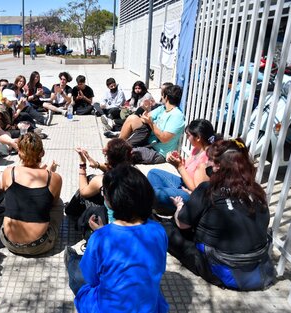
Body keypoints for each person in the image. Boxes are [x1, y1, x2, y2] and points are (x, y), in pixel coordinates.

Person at [159, 138, 276, 291]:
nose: (207, 164)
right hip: (258, 266)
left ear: (218, 166)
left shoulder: (208, 189)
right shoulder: (256, 191)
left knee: (165, 228)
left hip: (223, 268)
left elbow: (182, 224)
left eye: (210, 161)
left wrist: (180, 207)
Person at [65, 164, 169, 313]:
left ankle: (71, 258)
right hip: (149, 307)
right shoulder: (158, 230)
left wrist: (102, 234)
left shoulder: (100, 237)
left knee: (76, 269)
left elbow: (91, 278)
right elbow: (159, 267)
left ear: (110, 201)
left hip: (106, 308)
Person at [0, 132, 63, 256]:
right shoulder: (54, 178)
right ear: (42, 153)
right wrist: (48, 172)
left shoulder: (9, 172)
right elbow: (53, 202)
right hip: (39, 245)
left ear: (19, 153)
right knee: (58, 203)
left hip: (8, 242)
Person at [147, 119, 219, 215]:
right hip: (183, 185)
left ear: (198, 137)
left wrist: (180, 166)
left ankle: (166, 204)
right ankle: (163, 204)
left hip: (192, 197)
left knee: (156, 193)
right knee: (153, 173)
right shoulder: (197, 149)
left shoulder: (207, 158)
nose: (187, 138)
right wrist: (178, 162)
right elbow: (185, 170)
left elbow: (197, 190)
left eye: (189, 136)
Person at [65, 138, 133, 222]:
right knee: (92, 179)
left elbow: (83, 192)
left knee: (87, 185)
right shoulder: (135, 174)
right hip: (131, 216)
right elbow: (114, 168)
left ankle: (72, 212)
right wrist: (96, 164)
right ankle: (70, 209)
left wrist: (82, 164)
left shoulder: (102, 180)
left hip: (112, 222)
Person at [131, 84, 185, 164]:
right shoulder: (163, 109)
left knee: (126, 153)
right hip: (149, 144)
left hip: (159, 153)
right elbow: (145, 117)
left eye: (162, 95)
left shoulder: (177, 116)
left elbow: (164, 138)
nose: (161, 97)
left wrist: (151, 122)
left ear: (166, 97)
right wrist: (147, 110)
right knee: (132, 119)